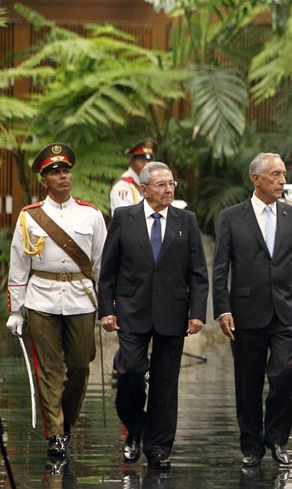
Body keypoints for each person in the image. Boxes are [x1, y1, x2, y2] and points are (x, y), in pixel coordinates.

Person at [98, 161, 208, 470]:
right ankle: (135, 428)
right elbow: (108, 271)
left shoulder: (186, 220)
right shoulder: (124, 218)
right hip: (132, 310)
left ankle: (158, 448)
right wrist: (107, 309)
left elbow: (198, 272)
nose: (169, 189)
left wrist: (197, 312)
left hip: (172, 312)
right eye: (161, 185)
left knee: (165, 383)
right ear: (144, 189)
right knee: (131, 372)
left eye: (172, 184)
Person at [6, 143, 107, 458]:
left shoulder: (91, 215)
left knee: (79, 364)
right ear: (43, 181)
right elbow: (19, 264)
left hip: (81, 298)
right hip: (42, 299)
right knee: (48, 369)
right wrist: (15, 310)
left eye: (65, 170)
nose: (62, 176)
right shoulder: (30, 217)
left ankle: (66, 419)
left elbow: (102, 264)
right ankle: (57, 433)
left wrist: (107, 306)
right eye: (55, 172)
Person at [212, 152, 292, 467]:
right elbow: (220, 268)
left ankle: (278, 437)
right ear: (256, 179)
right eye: (275, 175)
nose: (282, 180)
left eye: (283, 174)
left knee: (285, 372)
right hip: (246, 311)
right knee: (248, 381)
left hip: (286, 311)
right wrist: (222, 309)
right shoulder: (231, 217)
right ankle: (251, 445)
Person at [109, 138, 157, 215]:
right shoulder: (123, 186)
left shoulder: (149, 184)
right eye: (141, 160)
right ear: (131, 162)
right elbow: (125, 218)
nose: (146, 165)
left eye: (149, 161)